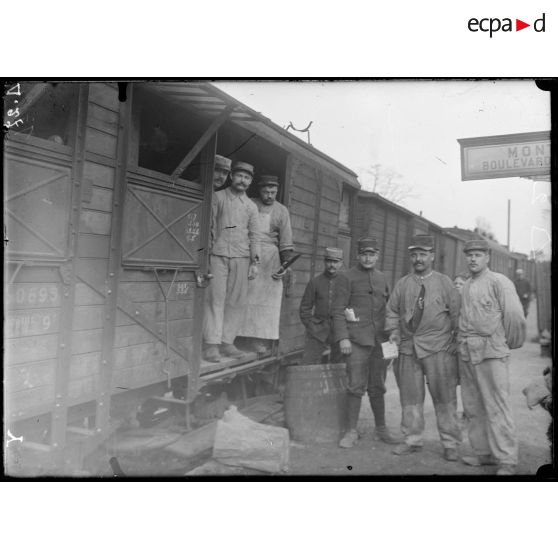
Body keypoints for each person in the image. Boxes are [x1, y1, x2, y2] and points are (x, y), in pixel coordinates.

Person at [385, 235, 462, 461]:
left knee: (445, 397)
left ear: (432, 256)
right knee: (410, 397)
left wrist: (456, 342)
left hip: (439, 348)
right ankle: (412, 439)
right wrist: (394, 332)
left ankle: (450, 443)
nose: (418, 259)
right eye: (414, 255)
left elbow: (457, 313)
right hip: (409, 349)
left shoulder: (445, 283)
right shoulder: (403, 283)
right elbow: (391, 311)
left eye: (423, 254)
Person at [458, 239, 526, 475]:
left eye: (478, 255)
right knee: (473, 406)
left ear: (487, 257)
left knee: (497, 405)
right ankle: (483, 454)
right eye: (470, 255)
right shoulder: (467, 284)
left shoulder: (499, 281)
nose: (473, 259)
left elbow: (515, 316)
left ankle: (507, 459)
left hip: (491, 352)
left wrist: (505, 344)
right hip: (468, 352)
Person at [332, 237, 401, 448]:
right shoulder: (346, 277)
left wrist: (392, 333)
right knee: (355, 386)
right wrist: (343, 337)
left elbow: (389, 308)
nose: (368, 258)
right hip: (356, 341)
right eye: (364, 254)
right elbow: (337, 310)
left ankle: (381, 429)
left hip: (379, 341)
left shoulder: (382, 278)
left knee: (378, 386)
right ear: (358, 255)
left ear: (377, 256)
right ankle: (351, 431)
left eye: (372, 254)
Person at [202, 161, 260, 363]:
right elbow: (209, 227)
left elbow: (255, 235)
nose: (242, 181)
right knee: (214, 299)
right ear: (231, 176)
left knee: (236, 301)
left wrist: (255, 261)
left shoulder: (251, 207)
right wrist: (207, 255)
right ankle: (211, 344)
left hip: (242, 257)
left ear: (250, 181)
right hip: (218, 255)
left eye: (247, 178)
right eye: (239, 176)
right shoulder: (218, 197)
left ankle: (227, 341)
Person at [238, 175, 294, 353]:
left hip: (270, 257)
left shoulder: (282, 211)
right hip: (248, 252)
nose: (269, 196)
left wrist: (285, 265)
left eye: (273, 192)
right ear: (259, 191)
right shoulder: (250, 203)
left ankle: (259, 340)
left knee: (266, 300)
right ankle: (238, 336)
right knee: (243, 295)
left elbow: (285, 241)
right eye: (266, 192)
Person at [299, 247, 344, 365]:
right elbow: (304, 309)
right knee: (308, 364)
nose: (332, 265)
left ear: (341, 263)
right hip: (318, 331)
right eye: (329, 261)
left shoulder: (345, 283)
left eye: (335, 262)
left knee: (339, 366)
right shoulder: (315, 282)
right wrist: (311, 326)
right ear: (324, 262)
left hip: (338, 331)